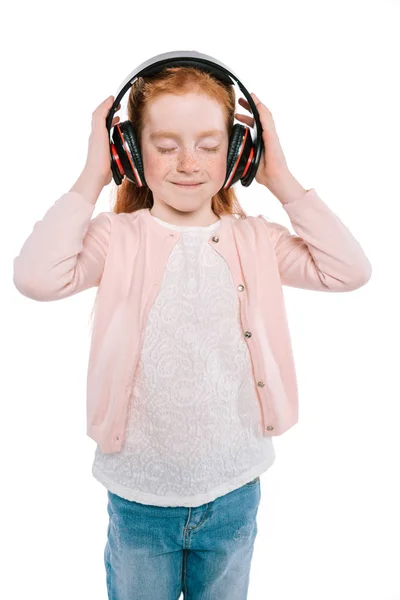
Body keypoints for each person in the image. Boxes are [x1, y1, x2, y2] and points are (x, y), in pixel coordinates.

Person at [12, 65, 372, 600]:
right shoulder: (117, 238)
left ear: (240, 154)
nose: (187, 163)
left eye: (209, 145)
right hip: (139, 495)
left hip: (234, 490)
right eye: (165, 144)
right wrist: (92, 177)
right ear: (130, 154)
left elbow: (349, 270)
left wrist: (282, 180)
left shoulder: (257, 241)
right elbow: (35, 278)